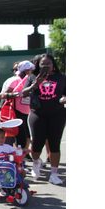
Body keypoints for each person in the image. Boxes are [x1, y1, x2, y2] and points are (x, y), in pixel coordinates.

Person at [21, 53, 65, 185]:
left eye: (48, 64)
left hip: (57, 114)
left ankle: (54, 173)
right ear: (38, 65)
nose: (46, 66)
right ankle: (35, 163)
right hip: (38, 113)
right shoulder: (33, 77)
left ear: (53, 64)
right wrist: (36, 84)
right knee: (37, 142)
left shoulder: (61, 77)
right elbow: (23, 93)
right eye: (43, 64)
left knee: (54, 144)